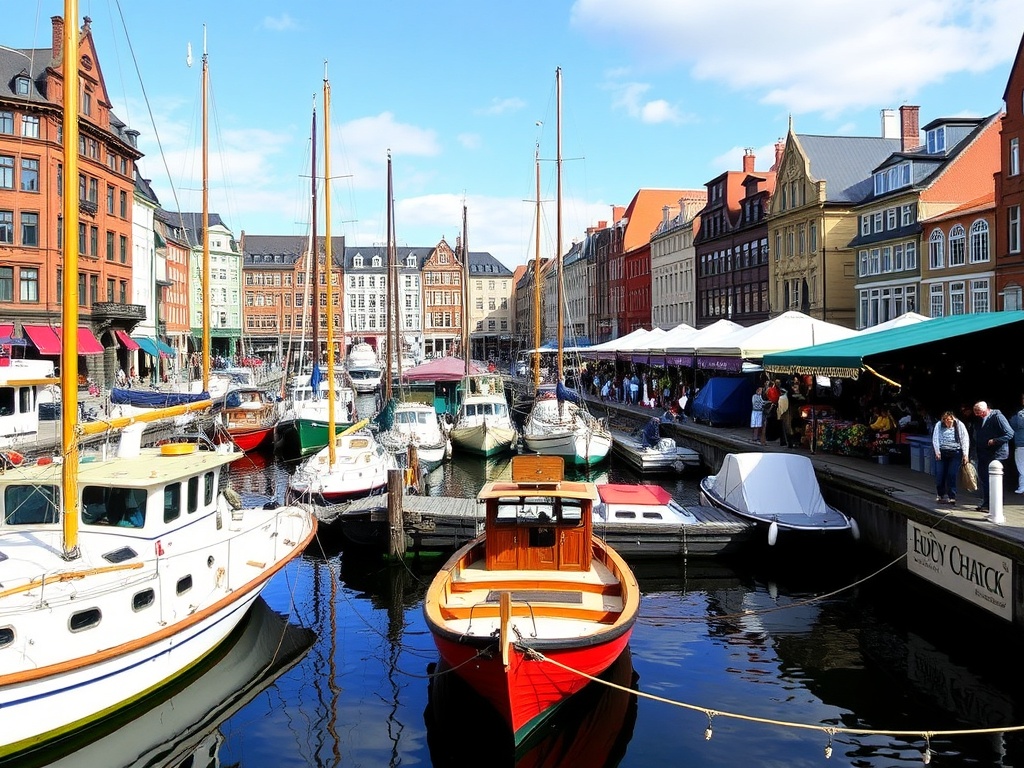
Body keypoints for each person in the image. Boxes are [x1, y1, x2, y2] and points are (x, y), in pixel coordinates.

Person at [972, 400, 1014, 512]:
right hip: (983, 453)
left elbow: (1009, 433)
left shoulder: (998, 417)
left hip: (995, 454)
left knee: (993, 479)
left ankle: (993, 505)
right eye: (976, 413)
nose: (977, 415)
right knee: (984, 479)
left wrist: (995, 441)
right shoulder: (980, 419)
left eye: (979, 412)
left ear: (986, 410)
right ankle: (986, 503)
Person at [931, 410, 970, 505]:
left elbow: (964, 439)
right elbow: (935, 438)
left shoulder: (959, 425)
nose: (947, 422)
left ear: (953, 419)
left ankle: (952, 496)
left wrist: (965, 454)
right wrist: (937, 451)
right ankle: (940, 494)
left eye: (949, 420)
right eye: (945, 420)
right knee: (940, 474)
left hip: (955, 452)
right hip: (942, 452)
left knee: (952, 474)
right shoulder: (939, 425)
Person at [1010, 394, 1024, 495]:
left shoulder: (1019, 414)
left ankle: (1022, 486)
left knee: (1021, 466)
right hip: (1020, 443)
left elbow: (1013, 426)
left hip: (1021, 443)